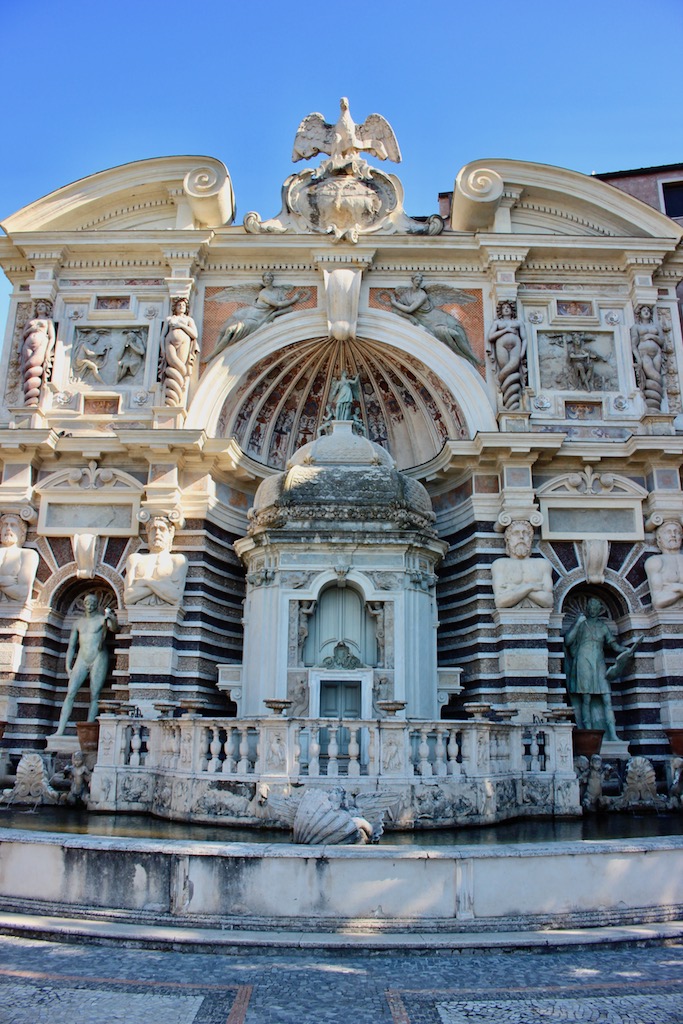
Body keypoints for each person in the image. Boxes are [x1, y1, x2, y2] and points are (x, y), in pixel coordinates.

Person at [563, 597, 637, 740]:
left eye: (595, 608)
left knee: (607, 698)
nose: (592, 610)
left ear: (599, 610)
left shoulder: (603, 627)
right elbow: (568, 641)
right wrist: (578, 623)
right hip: (583, 662)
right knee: (586, 699)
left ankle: (613, 734)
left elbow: (614, 645)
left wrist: (626, 650)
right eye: (590, 608)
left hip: (599, 663)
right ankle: (588, 733)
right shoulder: (581, 624)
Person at [55, 594, 118, 735]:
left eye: (93, 602)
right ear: (84, 604)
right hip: (82, 658)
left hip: (99, 657)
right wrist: (68, 666)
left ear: (97, 604)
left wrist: (111, 618)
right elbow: (71, 646)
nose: (90, 605)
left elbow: (115, 629)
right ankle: (60, 730)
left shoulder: (101, 619)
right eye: (87, 602)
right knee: (70, 692)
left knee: (95, 694)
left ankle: (88, 731)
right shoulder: (78, 623)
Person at [205, 273, 303, 361]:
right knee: (222, 330)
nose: (266, 281)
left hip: (254, 320)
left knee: (230, 330)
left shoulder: (278, 293)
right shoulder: (263, 293)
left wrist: (274, 314)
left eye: (268, 279)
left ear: (272, 279)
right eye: (265, 279)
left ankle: (213, 355)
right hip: (247, 312)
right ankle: (215, 354)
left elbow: (288, 308)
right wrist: (294, 299)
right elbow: (277, 304)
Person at [389, 274, 481, 366]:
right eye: (417, 280)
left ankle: (472, 357)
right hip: (429, 323)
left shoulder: (422, 294)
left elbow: (410, 309)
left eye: (420, 281)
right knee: (454, 334)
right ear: (412, 281)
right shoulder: (406, 296)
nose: (418, 282)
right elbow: (395, 311)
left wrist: (394, 302)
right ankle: (468, 357)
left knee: (458, 327)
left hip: (438, 316)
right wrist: (409, 317)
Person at [124, 517, 188, 607]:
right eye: (153, 529)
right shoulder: (135, 559)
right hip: (136, 613)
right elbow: (128, 597)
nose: (157, 533)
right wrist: (162, 588)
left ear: (170, 534)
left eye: (162, 529)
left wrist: (146, 581)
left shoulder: (178, 560)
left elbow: (175, 596)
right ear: (148, 534)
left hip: (169, 613)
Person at [491, 520, 553, 610]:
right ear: (508, 539)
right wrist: (531, 587)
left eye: (525, 533)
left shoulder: (542, 564)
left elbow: (548, 601)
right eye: (516, 533)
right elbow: (500, 601)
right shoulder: (500, 564)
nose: (521, 537)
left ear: (530, 539)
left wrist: (514, 589)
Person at [487, 301, 527, 410]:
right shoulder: (497, 323)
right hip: (501, 346)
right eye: (504, 307)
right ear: (500, 311)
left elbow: (524, 338)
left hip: (516, 346)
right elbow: (491, 336)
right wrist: (506, 330)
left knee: (513, 366)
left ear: (511, 309)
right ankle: (508, 402)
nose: (506, 309)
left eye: (508, 307)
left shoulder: (518, 322)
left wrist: (523, 351)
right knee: (506, 369)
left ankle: (512, 407)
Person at [160, 298, 199, 406]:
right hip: (169, 342)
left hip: (184, 342)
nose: (181, 307)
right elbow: (162, 335)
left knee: (180, 367)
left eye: (183, 305)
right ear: (175, 307)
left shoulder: (188, 320)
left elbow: (194, 334)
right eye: (179, 305)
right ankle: (170, 402)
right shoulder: (169, 319)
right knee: (172, 364)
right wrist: (162, 349)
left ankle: (174, 401)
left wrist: (181, 326)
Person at [21, 300, 55, 406]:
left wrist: (48, 351)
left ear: (47, 309)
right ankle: (29, 402)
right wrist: (32, 329)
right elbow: (23, 335)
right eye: (38, 306)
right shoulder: (31, 321)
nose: (40, 307)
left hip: (41, 343)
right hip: (28, 344)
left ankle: (32, 402)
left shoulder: (48, 321)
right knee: (27, 367)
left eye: (42, 306)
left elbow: (52, 337)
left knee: (33, 365)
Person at [630, 304, 665, 411]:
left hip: (657, 354)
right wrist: (638, 359)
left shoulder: (656, 326)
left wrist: (651, 336)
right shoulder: (636, 327)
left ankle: (656, 407)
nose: (646, 312)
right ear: (639, 314)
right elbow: (633, 345)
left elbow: (662, 341)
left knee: (656, 377)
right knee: (651, 375)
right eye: (643, 310)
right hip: (644, 354)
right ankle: (652, 408)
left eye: (648, 310)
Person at [0, 514, 39, 606]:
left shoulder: (27, 555)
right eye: (5, 525)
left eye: (13, 525)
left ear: (22, 532)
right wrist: (3, 581)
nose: (8, 528)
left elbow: (23, 593)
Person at [644, 520, 683, 610]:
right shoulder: (655, 562)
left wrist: (679, 588)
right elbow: (658, 602)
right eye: (668, 532)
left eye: (677, 532)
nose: (673, 535)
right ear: (659, 538)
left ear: (681, 537)